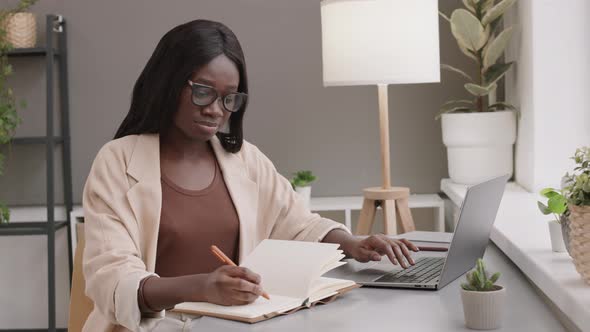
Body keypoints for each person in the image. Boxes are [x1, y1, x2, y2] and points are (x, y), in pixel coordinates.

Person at [82, 19, 419, 332]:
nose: (216, 109)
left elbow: (298, 223)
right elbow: (112, 277)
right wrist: (203, 287)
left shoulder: (243, 159)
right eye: (203, 92)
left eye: (230, 99)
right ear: (168, 83)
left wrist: (353, 244)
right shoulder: (117, 162)